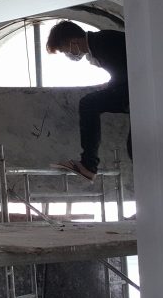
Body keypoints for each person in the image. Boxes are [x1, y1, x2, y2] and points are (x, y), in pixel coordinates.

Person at [45, 21, 130, 181]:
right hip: (137, 92)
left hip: (139, 92)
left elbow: (126, 73)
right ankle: (88, 165)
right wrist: (111, 86)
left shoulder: (103, 42)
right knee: (133, 148)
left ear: (73, 42)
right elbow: (122, 70)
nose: (68, 54)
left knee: (88, 103)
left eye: (65, 50)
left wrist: (111, 87)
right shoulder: (99, 43)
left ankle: (88, 165)